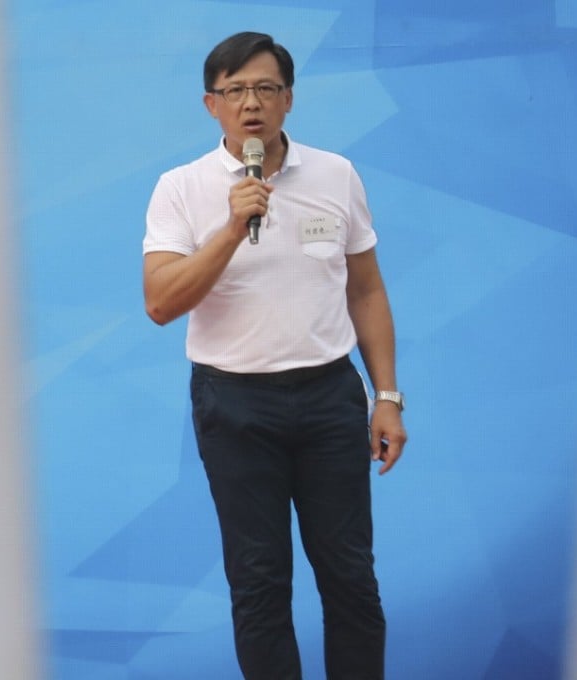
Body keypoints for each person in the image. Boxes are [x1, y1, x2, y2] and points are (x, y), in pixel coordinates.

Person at [142, 31, 407, 680]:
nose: (250, 104)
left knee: (351, 579)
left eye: (265, 88)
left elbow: (367, 290)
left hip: (327, 398)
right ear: (211, 105)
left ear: (289, 98)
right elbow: (160, 302)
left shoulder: (335, 175)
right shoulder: (180, 189)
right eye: (234, 91)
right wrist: (232, 229)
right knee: (259, 586)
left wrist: (388, 397)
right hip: (234, 406)